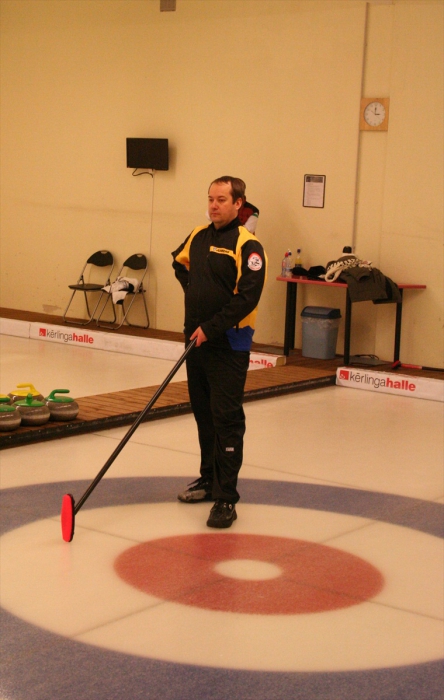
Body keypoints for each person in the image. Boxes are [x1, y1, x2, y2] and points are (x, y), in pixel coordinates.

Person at [172, 176, 267, 528]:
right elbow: (178, 263)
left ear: (238, 204)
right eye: (211, 199)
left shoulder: (248, 245)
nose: (214, 205)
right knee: (204, 414)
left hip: (228, 344)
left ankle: (226, 498)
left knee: (226, 419)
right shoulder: (198, 235)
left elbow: (248, 298)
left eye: (222, 199)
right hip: (196, 341)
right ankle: (208, 479)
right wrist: (195, 291)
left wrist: (211, 327)